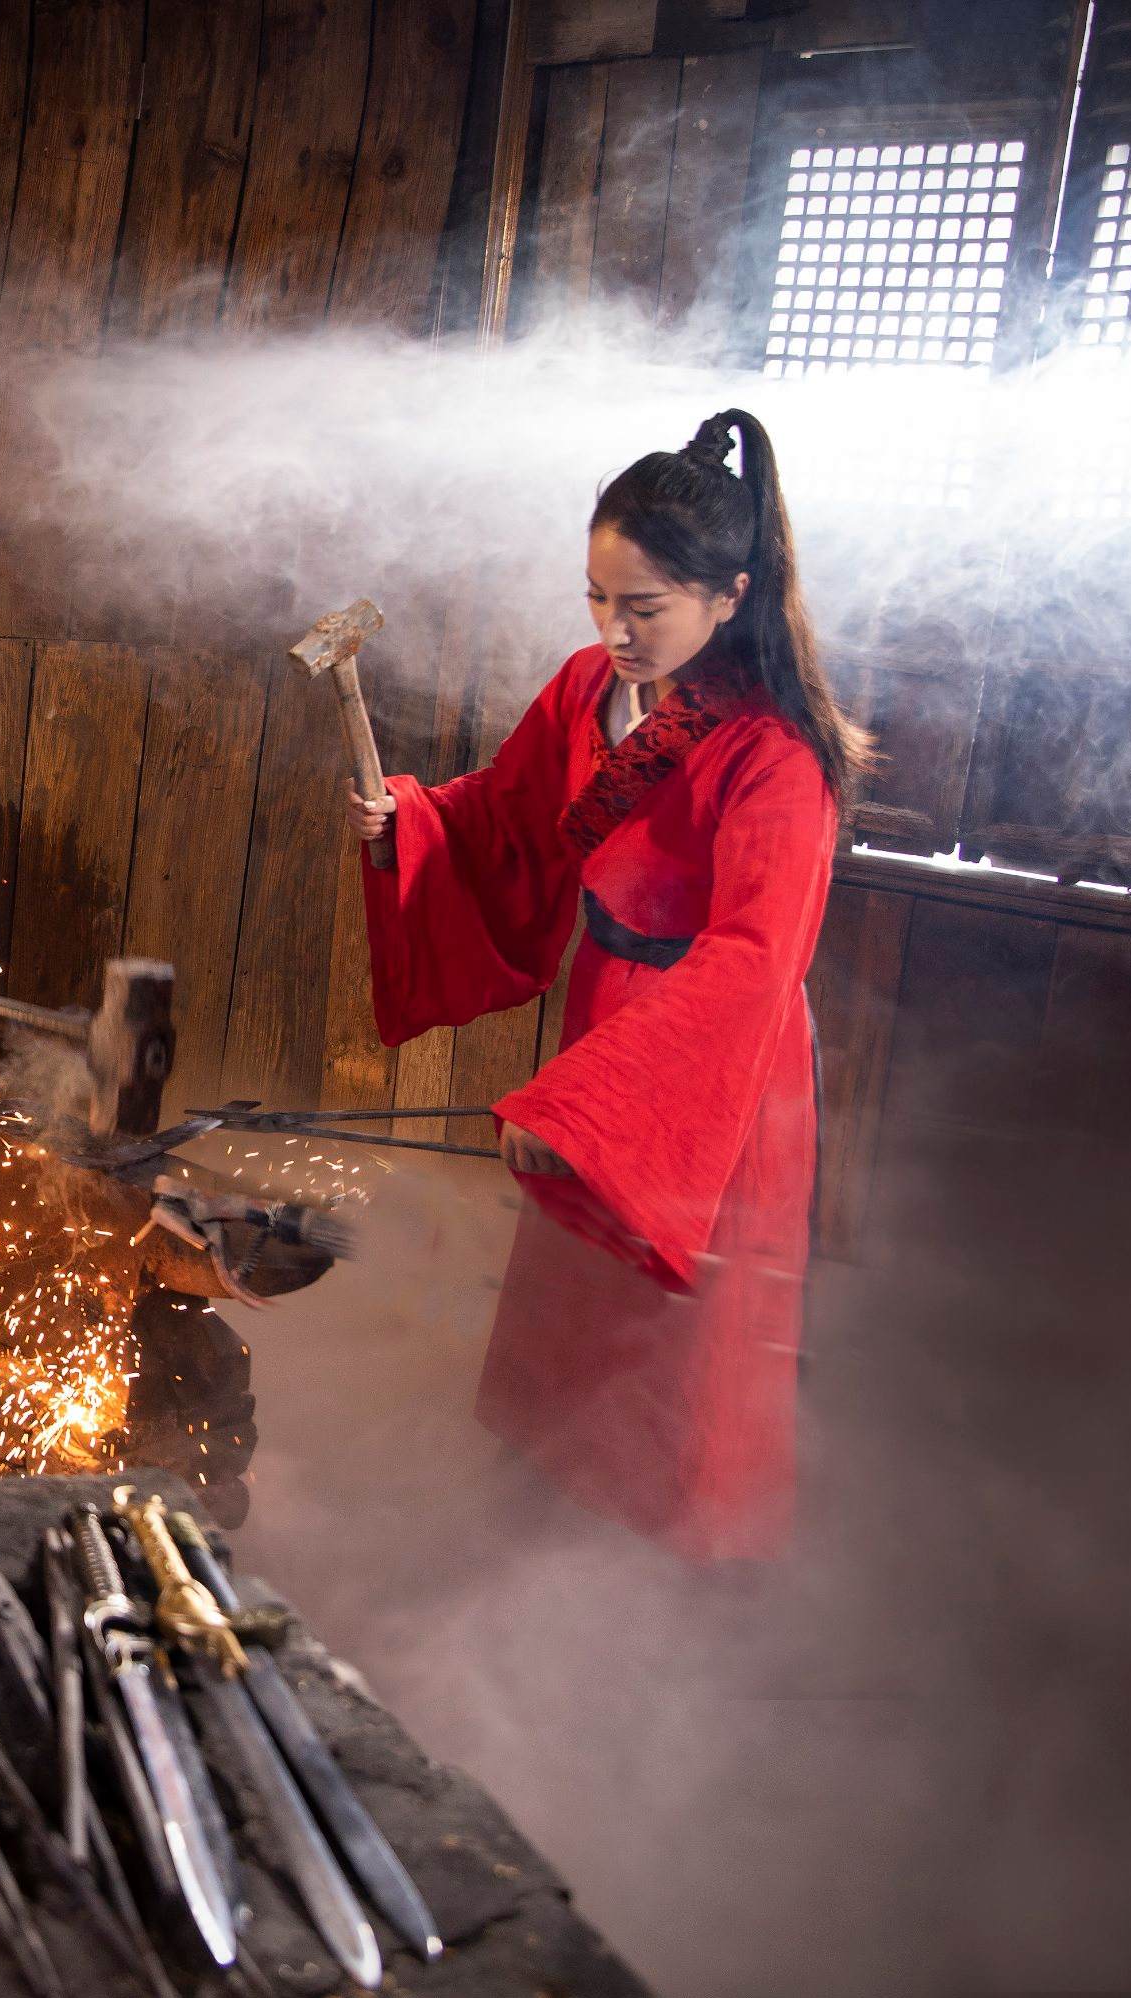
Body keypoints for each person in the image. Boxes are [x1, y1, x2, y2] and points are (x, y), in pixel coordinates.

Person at [351, 409, 867, 1561]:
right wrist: (413, 823)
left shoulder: (774, 750)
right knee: (575, 1309)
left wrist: (588, 1106)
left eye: (644, 607)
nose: (612, 628)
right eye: (597, 596)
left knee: (691, 1342)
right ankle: (548, 1530)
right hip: (604, 1017)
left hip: (710, 1058)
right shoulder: (590, 687)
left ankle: (682, 1569)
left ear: (728, 596)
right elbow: (515, 812)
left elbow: (751, 957)